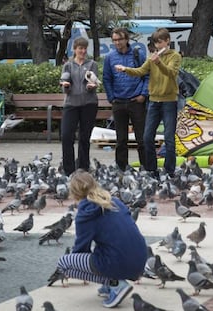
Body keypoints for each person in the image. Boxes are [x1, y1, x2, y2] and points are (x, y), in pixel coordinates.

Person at [54, 170, 147, 308]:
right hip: (141, 260)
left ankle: (115, 284)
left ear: (74, 193)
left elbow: (81, 249)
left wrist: (79, 264)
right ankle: (109, 282)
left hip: (120, 262)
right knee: (106, 246)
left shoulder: (85, 214)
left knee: (64, 264)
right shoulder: (114, 201)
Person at [115, 28, 182, 178]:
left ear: (167, 41)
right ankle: (152, 169)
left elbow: (171, 73)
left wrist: (158, 62)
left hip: (169, 101)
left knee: (169, 138)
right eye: (156, 43)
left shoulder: (175, 56)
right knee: (147, 137)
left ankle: (170, 170)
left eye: (160, 42)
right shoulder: (153, 57)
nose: (158, 46)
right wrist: (126, 69)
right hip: (153, 101)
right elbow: (140, 71)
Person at [103, 27, 149, 171]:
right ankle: (121, 168)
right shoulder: (109, 57)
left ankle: (146, 167)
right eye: (114, 40)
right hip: (118, 101)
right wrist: (111, 98)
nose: (117, 42)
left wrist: (143, 94)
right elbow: (106, 78)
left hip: (136, 101)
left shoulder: (138, 54)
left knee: (142, 138)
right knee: (121, 139)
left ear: (127, 39)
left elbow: (147, 75)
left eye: (119, 39)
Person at [60, 37, 99, 176]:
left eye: (84, 48)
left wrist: (92, 86)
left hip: (89, 103)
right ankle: (68, 169)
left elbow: (95, 82)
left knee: (84, 136)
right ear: (74, 49)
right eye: (80, 48)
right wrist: (65, 86)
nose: (82, 51)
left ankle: (83, 167)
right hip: (71, 103)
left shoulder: (92, 64)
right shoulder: (68, 65)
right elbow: (63, 83)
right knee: (66, 136)